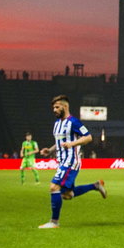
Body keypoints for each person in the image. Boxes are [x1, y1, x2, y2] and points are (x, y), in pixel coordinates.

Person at [38, 95, 106, 228]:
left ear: (65, 106)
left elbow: (88, 137)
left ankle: (54, 222)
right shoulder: (57, 123)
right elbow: (60, 141)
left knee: (54, 187)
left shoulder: (74, 122)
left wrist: (73, 143)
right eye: (53, 107)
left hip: (71, 161)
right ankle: (96, 185)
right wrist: (50, 150)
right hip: (62, 161)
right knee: (67, 194)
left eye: (57, 107)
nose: (54, 110)